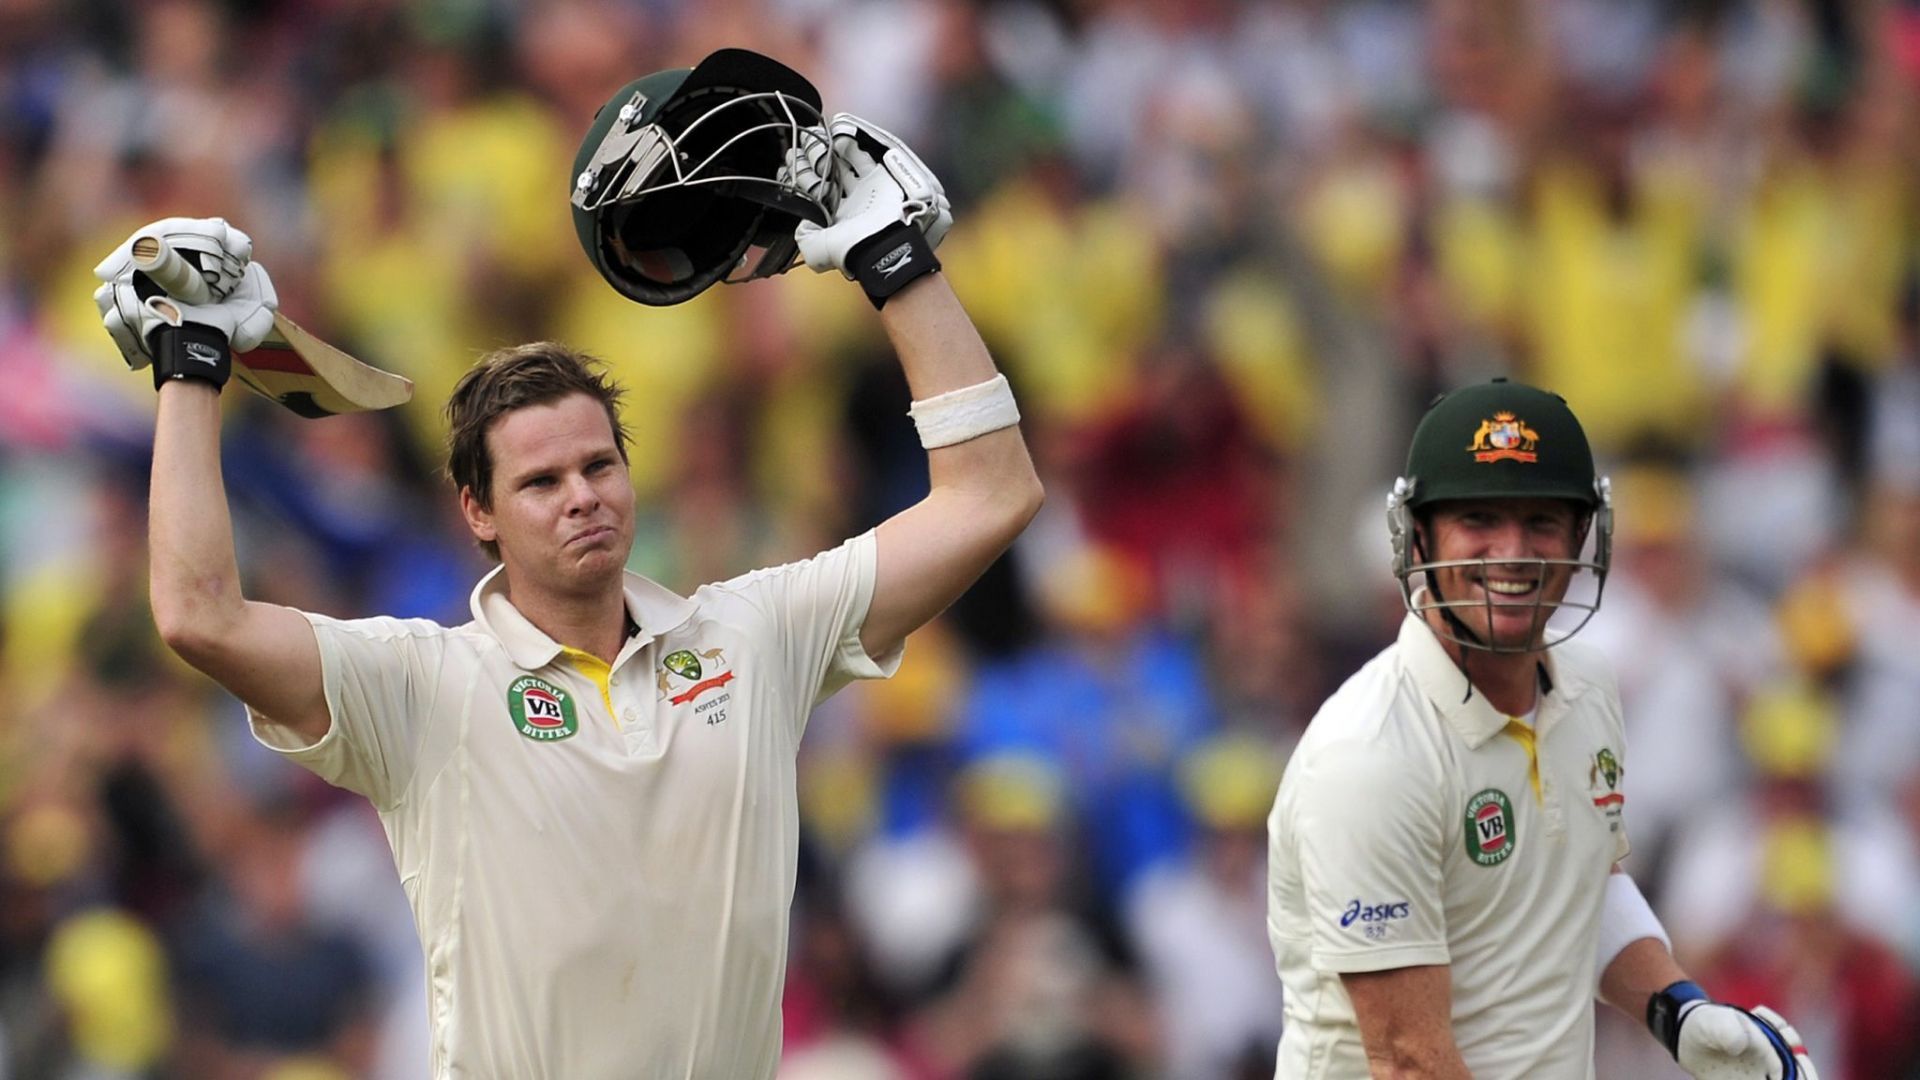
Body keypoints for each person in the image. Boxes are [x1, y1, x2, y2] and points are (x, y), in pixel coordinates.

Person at [88, 71, 1043, 1078]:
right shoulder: (421, 686)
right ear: (479, 513)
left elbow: (992, 495)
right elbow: (198, 615)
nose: (582, 495)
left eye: (599, 466)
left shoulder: (755, 635)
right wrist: (192, 365)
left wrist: (898, 263)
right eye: (541, 481)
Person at [1263, 379, 1819, 1079]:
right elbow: (1409, 1061)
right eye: (1480, 519)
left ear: (1583, 536)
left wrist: (1678, 1011)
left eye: (1541, 523)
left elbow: (1579, 879)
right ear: (1418, 535)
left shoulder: (1587, 684)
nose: (1513, 553)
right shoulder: (1370, 756)